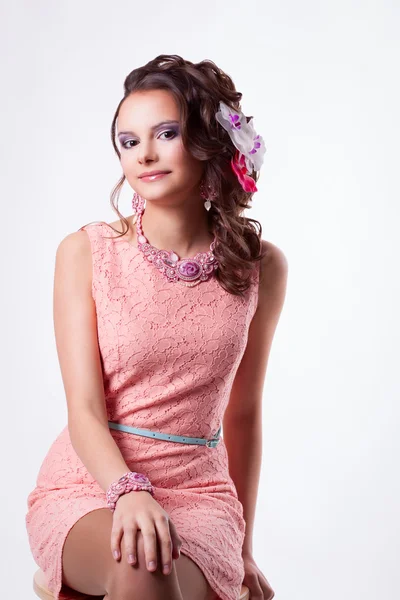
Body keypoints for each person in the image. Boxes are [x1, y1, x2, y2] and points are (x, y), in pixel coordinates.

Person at [25, 54, 288, 600]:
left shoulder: (261, 265)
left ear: (208, 140)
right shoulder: (86, 251)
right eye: (127, 141)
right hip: (92, 483)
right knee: (144, 562)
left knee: (156, 563)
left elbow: (243, 411)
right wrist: (127, 492)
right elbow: (84, 410)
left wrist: (243, 547)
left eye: (165, 133)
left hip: (200, 491)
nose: (144, 153)